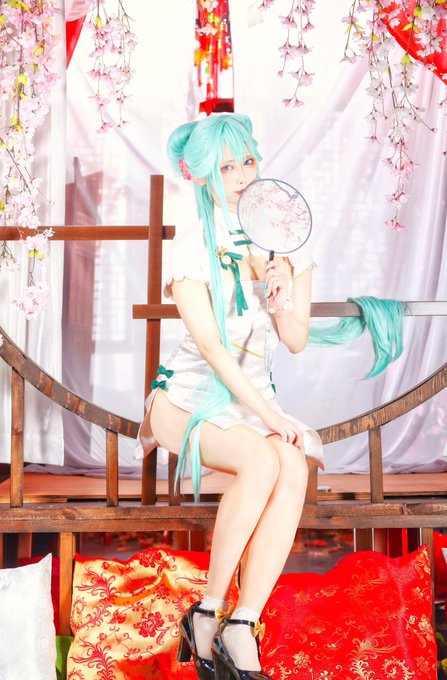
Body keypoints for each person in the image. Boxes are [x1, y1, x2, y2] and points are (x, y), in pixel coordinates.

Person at [136, 113, 323, 680]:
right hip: (186, 401)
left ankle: (241, 623)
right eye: (225, 167)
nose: (241, 175)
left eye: (247, 161)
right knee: (266, 456)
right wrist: (271, 416)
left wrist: (282, 290)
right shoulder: (195, 243)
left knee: (292, 464)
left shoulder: (283, 241)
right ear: (200, 176)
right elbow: (212, 349)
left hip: (249, 403)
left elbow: (295, 341)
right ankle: (208, 610)